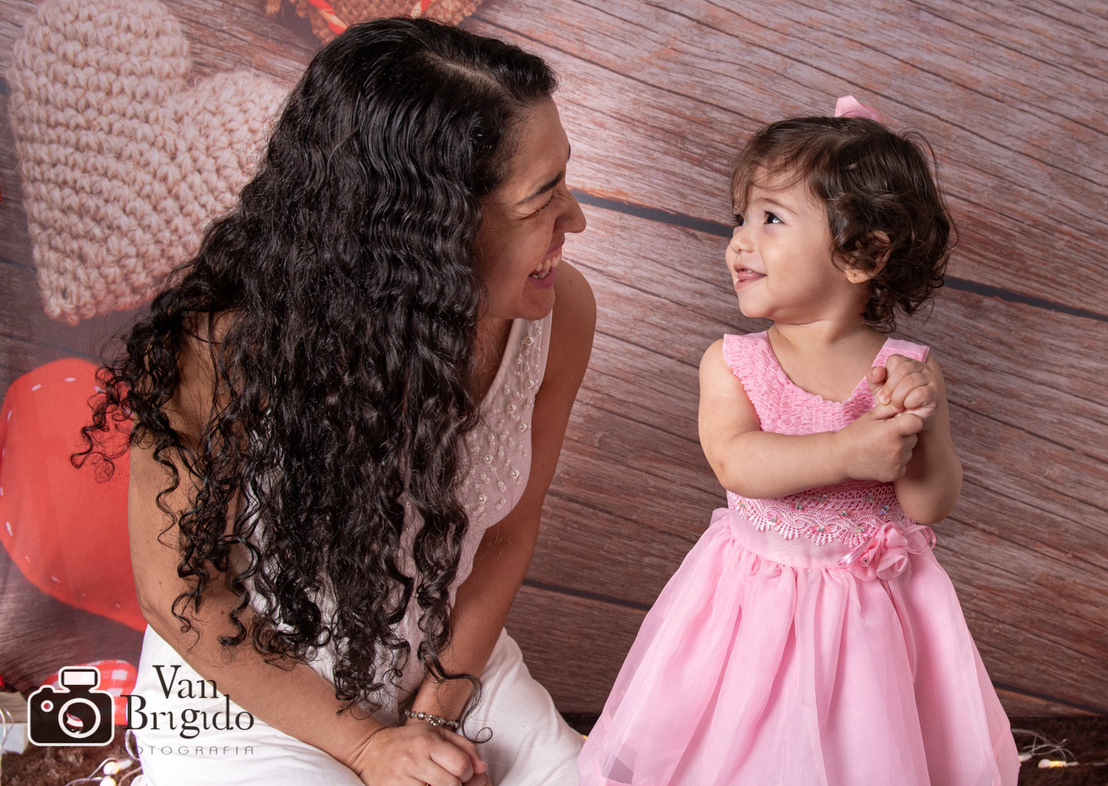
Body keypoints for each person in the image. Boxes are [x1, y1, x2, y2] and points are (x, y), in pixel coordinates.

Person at [80, 17, 593, 786]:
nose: (576, 219)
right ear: (427, 230)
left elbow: (506, 541)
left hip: (445, 669)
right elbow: (181, 592)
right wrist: (363, 746)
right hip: (246, 689)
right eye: (542, 198)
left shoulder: (559, 312)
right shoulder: (222, 346)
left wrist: (430, 717)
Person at [578, 97, 1019, 785]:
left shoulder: (906, 368)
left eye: (771, 219)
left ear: (860, 253)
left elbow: (930, 505)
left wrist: (923, 425)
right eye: (740, 218)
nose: (739, 242)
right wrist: (846, 451)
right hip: (753, 608)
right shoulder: (733, 362)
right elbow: (736, 460)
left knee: (864, 752)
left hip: (870, 618)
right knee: (744, 748)